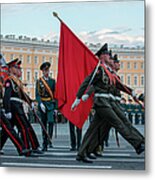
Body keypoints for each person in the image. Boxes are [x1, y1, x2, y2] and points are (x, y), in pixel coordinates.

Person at [71, 43, 145, 163]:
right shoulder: (99, 69)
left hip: (108, 103)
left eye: (108, 54)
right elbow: (88, 82)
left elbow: (119, 85)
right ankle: (138, 144)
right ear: (101, 57)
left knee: (94, 130)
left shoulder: (108, 71)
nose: (108, 56)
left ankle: (83, 153)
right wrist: (79, 97)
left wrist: (132, 92)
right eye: (106, 54)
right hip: (101, 103)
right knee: (118, 123)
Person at [1, 58, 41, 156]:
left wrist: (30, 102)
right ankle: (26, 148)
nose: (19, 70)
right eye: (16, 67)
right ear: (10, 69)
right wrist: (7, 110)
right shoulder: (9, 81)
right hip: (14, 107)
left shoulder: (16, 81)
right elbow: (7, 96)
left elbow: (22, 95)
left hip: (17, 106)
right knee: (23, 127)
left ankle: (29, 147)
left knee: (8, 130)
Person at [36, 62, 56, 151]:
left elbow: (55, 94)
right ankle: (44, 143)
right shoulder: (39, 81)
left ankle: (49, 139)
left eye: (47, 70)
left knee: (51, 121)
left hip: (50, 104)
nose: (46, 72)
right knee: (43, 124)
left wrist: (56, 107)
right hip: (43, 104)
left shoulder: (52, 81)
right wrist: (40, 103)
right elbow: (37, 94)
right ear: (42, 71)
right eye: (45, 70)